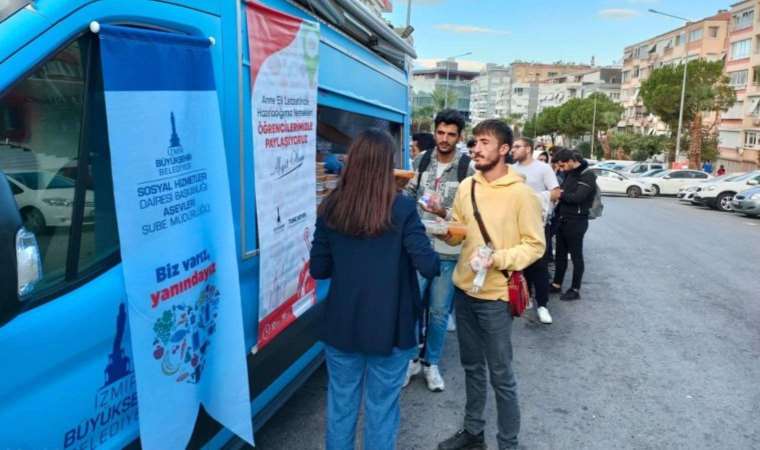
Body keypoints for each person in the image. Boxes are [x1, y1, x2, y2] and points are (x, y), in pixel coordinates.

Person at [310, 129, 440, 450]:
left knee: (341, 406)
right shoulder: (403, 209)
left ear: (352, 162)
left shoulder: (331, 207)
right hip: (391, 325)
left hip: (342, 323)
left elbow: (319, 269)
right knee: (382, 409)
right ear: (387, 165)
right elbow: (428, 266)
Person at [437, 119, 545, 450]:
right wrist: (447, 230)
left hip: (496, 296)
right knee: (472, 367)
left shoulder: (521, 194)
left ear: (504, 149)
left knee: (501, 375)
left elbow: (535, 246)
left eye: (485, 142)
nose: (476, 149)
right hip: (463, 290)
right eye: (475, 142)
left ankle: (508, 443)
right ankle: (473, 433)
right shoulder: (467, 186)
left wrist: (497, 258)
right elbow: (460, 232)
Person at [405, 109, 473, 392]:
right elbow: (409, 194)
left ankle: (431, 363)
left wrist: (442, 211)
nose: (444, 139)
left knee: (438, 312)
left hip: (448, 252)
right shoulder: (421, 161)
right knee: (411, 307)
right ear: (435, 132)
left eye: (451, 134)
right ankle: (411, 359)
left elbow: (470, 215)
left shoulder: (467, 168)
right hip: (419, 248)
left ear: (459, 137)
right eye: (441, 132)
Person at [510, 138, 560, 324]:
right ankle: (525, 297)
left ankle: (543, 305)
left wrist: (531, 199)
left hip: (538, 224)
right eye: (513, 147)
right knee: (519, 263)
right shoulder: (510, 169)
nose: (513, 150)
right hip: (514, 225)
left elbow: (556, 192)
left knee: (539, 265)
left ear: (528, 149)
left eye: (517, 146)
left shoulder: (543, 168)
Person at [549, 148, 597, 301]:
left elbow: (578, 197)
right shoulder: (570, 173)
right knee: (560, 255)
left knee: (576, 256)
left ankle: (575, 289)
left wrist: (560, 194)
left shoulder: (587, 175)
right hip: (563, 219)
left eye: (562, 165)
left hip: (577, 221)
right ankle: (556, 284)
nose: (561, 169)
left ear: (571, 161)